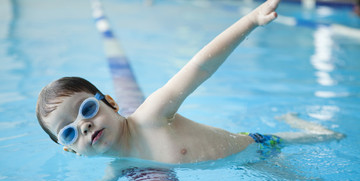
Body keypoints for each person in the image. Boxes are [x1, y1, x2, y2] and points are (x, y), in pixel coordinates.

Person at [36, 0, 343, 165]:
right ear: (71, 151)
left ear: (111, 102)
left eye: (87, 109)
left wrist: (250, 21)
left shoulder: (152, 115)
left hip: (259, 148)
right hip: (243, 165)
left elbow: (201, 66)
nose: (84, 125)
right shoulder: (120, 164)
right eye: (68, 132)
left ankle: (306, 127)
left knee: (329, 140)